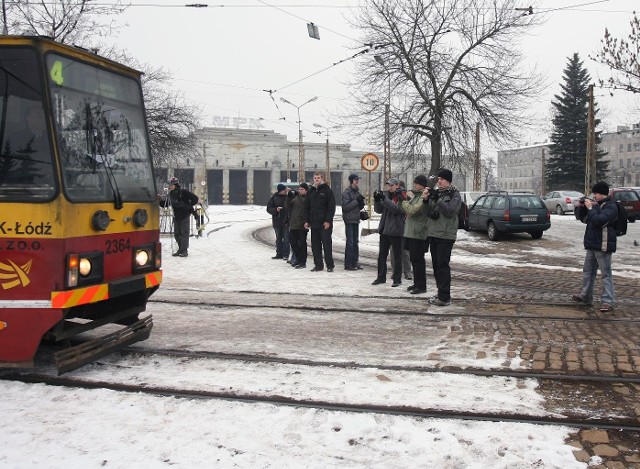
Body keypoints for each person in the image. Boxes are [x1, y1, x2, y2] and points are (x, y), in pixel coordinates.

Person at [572, 181, 618, 313]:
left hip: (603, 244)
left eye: (595, 193)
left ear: (602, 193)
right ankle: (586, 296)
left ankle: (607, 301)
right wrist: (582, 207)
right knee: (588, 271)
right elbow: (584, 219)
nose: (594, 196)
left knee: (606, 274)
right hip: (592, 244)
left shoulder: (611, 207)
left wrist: (592, 208)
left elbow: (599, 221)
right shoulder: (597, 205)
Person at [423, 169, 461, 306]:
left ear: (448, 181)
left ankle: (445, 297)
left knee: (443, 266)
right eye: (438, 178)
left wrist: (438, 199)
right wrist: (426, 200)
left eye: (442, 179)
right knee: (436, 266)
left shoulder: (454, 195)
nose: (439, 181)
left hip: (446, 235)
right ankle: (441, 292)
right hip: (434, 233)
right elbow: (428, 212)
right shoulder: (438, 193)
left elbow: (451, 211)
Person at [371, 178, 406, 287]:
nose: (389, 188)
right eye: (388, 186)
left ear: (397, 185)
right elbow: (379, 210)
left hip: (396, 230)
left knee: (397, 256)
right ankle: (381, 277)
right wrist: (377, 199)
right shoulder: (387, 195)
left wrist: (384, 200)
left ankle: (397, 279)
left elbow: (396, 210)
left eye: (391, 185)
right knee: (382, 255)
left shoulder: (402, 196)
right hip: (385, 230)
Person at [400, 175, 431, 294]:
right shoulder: (416, 196)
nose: (414, 185)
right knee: (414, 259)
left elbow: (412, 210)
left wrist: (403, 201)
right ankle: (417, 283)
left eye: (416, 184)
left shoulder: (424, 196)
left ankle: (421, 286)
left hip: (418, 232)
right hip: (411, 232)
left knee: (418, 260)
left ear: (422, 185)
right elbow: (407, 207)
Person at [304, 171, 336, 272]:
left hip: (324, 224)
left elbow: (331, 208)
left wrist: (328, 221)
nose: (316, 180)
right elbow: (306, 207)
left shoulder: (327, 191)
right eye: (315, 178)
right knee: (315, 246)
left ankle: (330, 265)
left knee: (327, 245)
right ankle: (318, 265)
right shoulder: (311, 191)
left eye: (318, 178)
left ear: (322, 179)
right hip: (314, 223)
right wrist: (307, 221)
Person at [160, 177, 199, 257]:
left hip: (185, 215)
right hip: (177, 216)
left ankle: (184, 251)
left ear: (176, 185)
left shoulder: (183, 192)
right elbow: (165, 204)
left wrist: (188, 205)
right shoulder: (170, 195)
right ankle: (181, 249)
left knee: (184, 234)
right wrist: (159, 200)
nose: (170, 186)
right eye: (169, 185)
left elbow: (195, 198)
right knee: (177, 234)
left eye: (171, 185)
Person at [341, 173, 365, 270]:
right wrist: (356, 201)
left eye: (358, 179)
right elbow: (346, 207)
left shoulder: (357, 192)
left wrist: (361, 203)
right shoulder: (346, 192)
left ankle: (355, 262)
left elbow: (358, 206)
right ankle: (348, 264)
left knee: (355, 242)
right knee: (350, 242)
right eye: (355, 180)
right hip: (349, 219)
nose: (357, 181)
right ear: (351, 181)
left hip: (356, 219)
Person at [285, 182, 309, 269]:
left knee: (302, 244)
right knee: (293, 243)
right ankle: (298, 259)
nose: (300, 191)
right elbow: (287, 206)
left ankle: (302, 262)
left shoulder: (307, 198)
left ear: (306, 190)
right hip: (294, 225)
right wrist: (289, 196)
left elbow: (305, 205)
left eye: (302, 189)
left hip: (302, 225)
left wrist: (296, 194)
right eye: (299, 189)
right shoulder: (296, 198)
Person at [266, 183, 290, 261]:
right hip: (277, 221)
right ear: (280, 190)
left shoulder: (289, 197)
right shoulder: (274, 198)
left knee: (286, 239)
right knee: (278, 238)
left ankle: (286, 254)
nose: (285, 191)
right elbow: (269, 209)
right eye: (284, 190)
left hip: (286, 221)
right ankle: (279, 254)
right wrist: (276, 210)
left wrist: (290, 191)